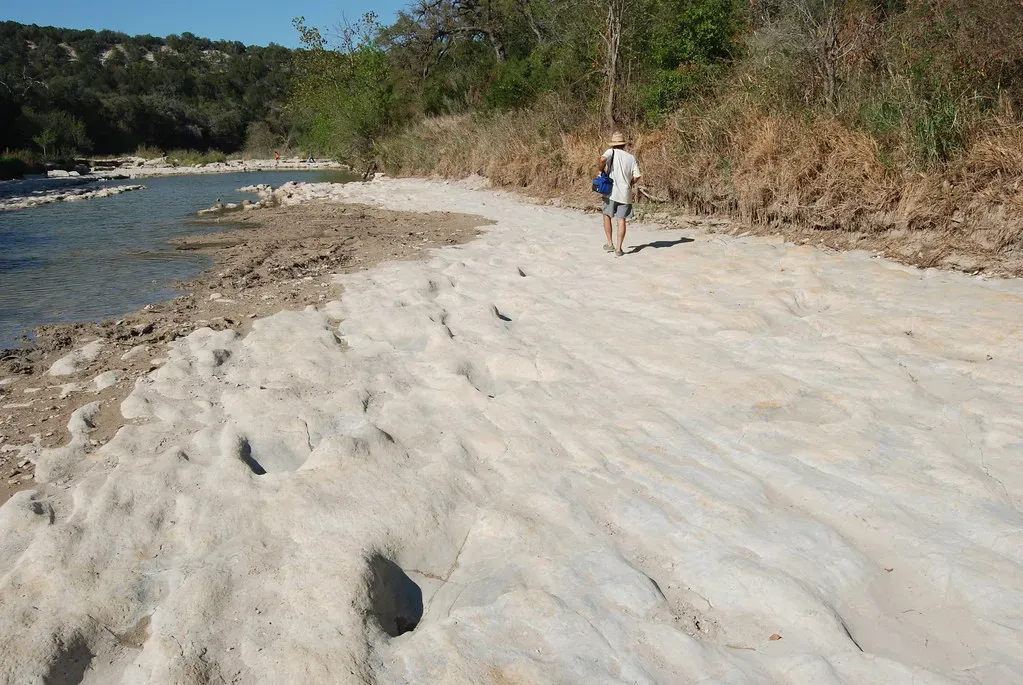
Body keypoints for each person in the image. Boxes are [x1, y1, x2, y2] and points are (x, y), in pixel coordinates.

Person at [598, 131, 642, 257]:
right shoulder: (631, 157)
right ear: (623, 145)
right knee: (621, 220)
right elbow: (637, 176)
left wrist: (601, 170)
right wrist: (630, 183)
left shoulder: (610, 152)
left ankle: (610, 243)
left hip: (611, 192)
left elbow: (602, 159)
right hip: (625, 193)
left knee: (607, 216)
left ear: (613, 144)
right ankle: (618, 248)